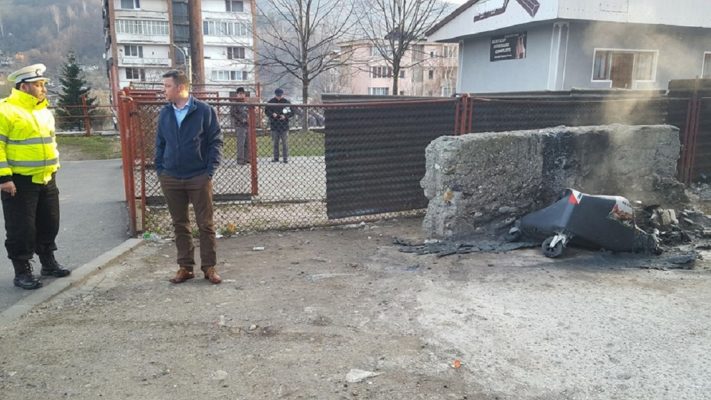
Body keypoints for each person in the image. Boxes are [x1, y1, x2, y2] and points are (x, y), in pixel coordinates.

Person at [0, 63, 71, 290]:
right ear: (24, 87)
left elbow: (50, 142)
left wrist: (53, 166)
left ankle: (48, 263)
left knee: (49, 223)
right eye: (38, 85)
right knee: (22, 229)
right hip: (19, 181)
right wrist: (4, 178)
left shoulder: (43, 111)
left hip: (47, 178)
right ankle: (22, 272)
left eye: (43, 84)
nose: (43, 89)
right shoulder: (5, 110)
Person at [155, 70, 224, 284]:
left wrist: (208, 171)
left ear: (180, 87)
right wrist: (161, 169)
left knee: (205, 224)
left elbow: (215, 141)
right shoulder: (165, 113)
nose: (164, 90)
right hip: (171, 177)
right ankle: (185, 268)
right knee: (180, 224)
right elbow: (160, 143)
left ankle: (209, 267)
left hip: (198, 176)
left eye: (167, 86)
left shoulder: (203, 111)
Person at [265, 88, 293, 163]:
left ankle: (285, 158)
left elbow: (292, 112)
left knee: (285, 143)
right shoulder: (271, 102)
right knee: (275, 143)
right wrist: (272, 114)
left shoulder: (286, 102)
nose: (279, 97)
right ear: (275, 95)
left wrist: (285, 116)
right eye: (278, 96)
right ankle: (276, 157)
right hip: (274, 125)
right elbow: (266, 111)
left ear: (282, 95)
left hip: (284, 125)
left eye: (280, 96)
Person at [231, 87, 249, 165]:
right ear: (237, 94)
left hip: (247, 125)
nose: (241, 95)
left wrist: (248, 118)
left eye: (242, 94)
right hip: (240, 125)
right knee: (241, 143)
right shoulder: (235, 103)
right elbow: (233, 113)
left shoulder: (246, 102)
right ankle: (240, 160)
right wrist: (241, 119)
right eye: (240, 94)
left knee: (247, 143)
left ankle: (247, 158)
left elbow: (249, 111)